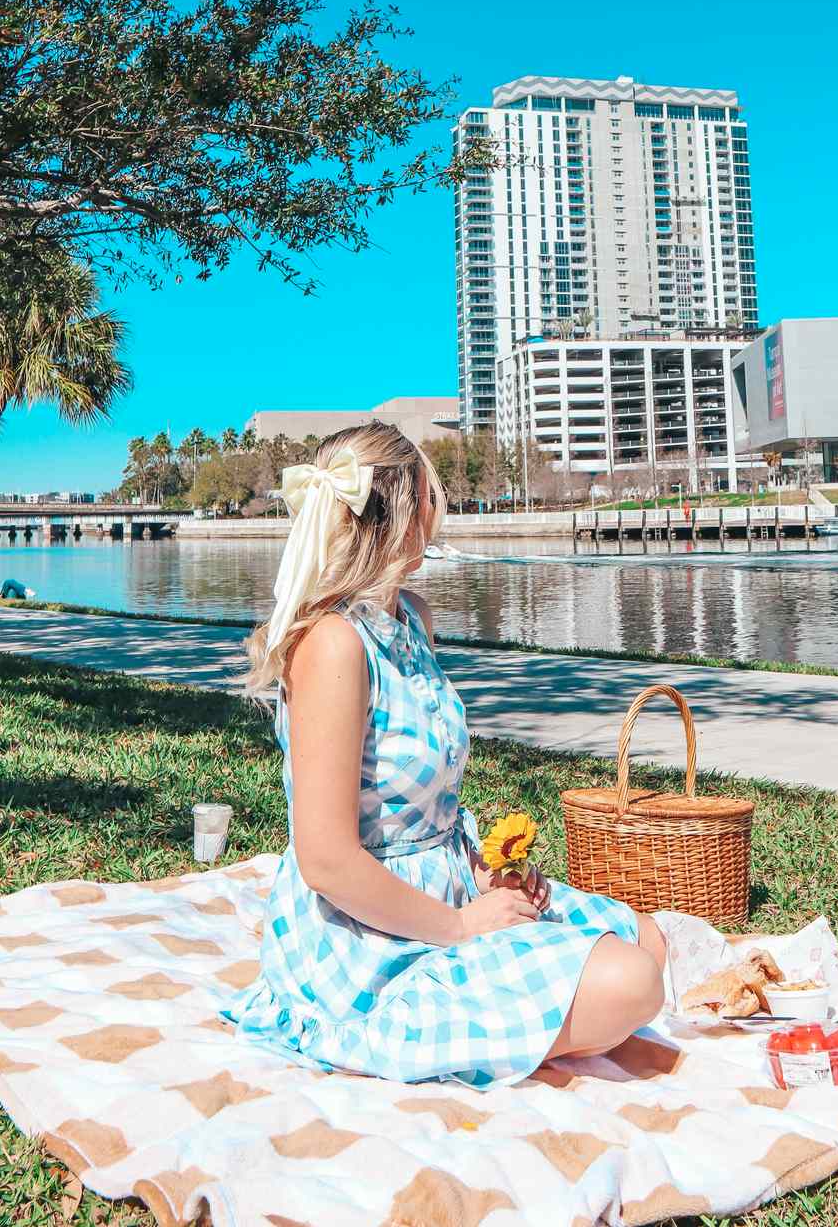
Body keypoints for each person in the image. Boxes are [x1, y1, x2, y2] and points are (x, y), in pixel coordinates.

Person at [224, 421, 669, 1088]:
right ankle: (470, 1030)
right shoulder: (334, 646)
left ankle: (518, 1018)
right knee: (633, 983)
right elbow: (325, 860)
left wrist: (481, 874)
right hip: (367, 938)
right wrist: (461, 927)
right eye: (433, 495)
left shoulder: (409, 618)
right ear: (405, 514)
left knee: (649, 938)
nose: (442, 510)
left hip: (448, 891)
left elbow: (426, 805)